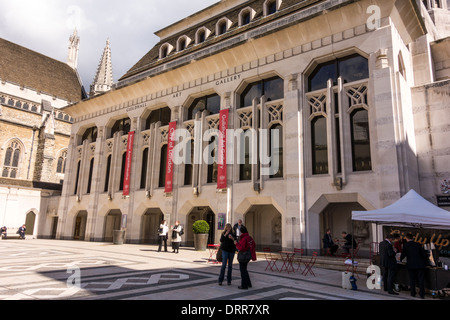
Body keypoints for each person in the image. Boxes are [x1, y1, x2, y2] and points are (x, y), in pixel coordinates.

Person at [400, 233, 429, 299]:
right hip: (420, 265)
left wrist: (401, 259)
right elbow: (424, 254)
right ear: (413, 238)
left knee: (412, 279)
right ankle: (422, 294)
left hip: (411, 265)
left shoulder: (406, 245)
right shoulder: (418, 244)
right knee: (421, 280)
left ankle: (413, 293)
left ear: (407, 239)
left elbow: (403, 254)